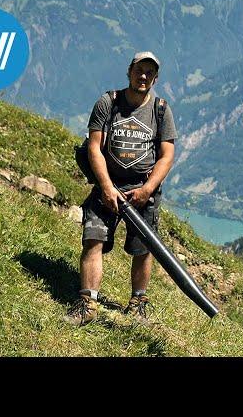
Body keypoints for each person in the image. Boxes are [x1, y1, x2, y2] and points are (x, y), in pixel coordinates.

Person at [64, 51, 177, 326]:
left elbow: (167, 155)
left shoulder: (161, 109)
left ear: (155, 78)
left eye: (149, 72)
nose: (143, 76)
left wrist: (147, 189)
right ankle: (87, 304)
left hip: (143, 191)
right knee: (93, 238)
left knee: (143, 249)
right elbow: (93, 147)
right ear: (129, 71)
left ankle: (138, 305)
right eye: (139, 70)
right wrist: (105, 188)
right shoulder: (108, 102)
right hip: (109, 184)